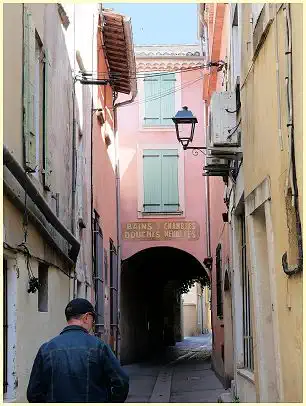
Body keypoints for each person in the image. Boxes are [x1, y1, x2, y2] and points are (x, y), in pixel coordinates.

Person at [27, 298, 129, 402]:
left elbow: (33, 393)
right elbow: (121, 382)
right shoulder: (99, 347)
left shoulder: (46, 349)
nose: (93, 323)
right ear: (86, 317)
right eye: (93, 319)